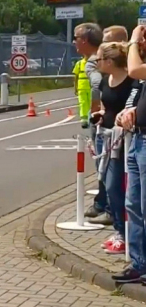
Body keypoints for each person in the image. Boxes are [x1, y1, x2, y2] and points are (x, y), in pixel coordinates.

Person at [92, 42, 136, 254]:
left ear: (109, 61)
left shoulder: (131, 81)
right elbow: (105, 106)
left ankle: (126, 235)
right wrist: (100, 115)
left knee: (117, 187)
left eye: (99, 60)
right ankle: (120, 231)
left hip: (124, 140)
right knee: (109, 186)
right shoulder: (104, 81)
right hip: (107, 138)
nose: (96, 63)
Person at [112, 25, 146, 283]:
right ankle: (138, 263)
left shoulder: (139, 67)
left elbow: (133, 69)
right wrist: (131, 109)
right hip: (138, 137)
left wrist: (133, 40)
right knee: (133, 205)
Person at [74, 23, 110, 222]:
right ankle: (102, 202)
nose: (74, 42)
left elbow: (96, 85)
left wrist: (96, 107)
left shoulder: (94, 61)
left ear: (85, 40)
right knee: (103, 163)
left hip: (102, 118)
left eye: (76, 38)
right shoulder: (91, 60)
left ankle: (106, 206)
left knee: (104, 162)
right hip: (98, 116)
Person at [72, 57, 90, 128]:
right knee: (83, 103)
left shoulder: (93, 63)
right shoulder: (79, 64)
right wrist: (75, 87)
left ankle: (91, 118)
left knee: (91, 102)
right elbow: (75, 77)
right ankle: (84, 120)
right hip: (81, 87)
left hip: (91, 87)